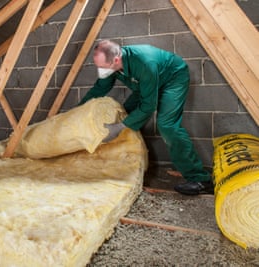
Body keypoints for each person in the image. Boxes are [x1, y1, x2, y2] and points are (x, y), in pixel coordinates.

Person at [79, 40, 213, 195]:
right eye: (98, 66)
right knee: (125, 113)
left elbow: (148, 106)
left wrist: (119, 128)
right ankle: (128, 162)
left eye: (103, 67)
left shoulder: (144, 62)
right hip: (148, 82)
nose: (101, 70)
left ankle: (200, 179)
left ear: (116, 59)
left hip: (172, 79)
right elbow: (100, 87)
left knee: (167, 125)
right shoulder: (112, 64)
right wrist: (79, 110)